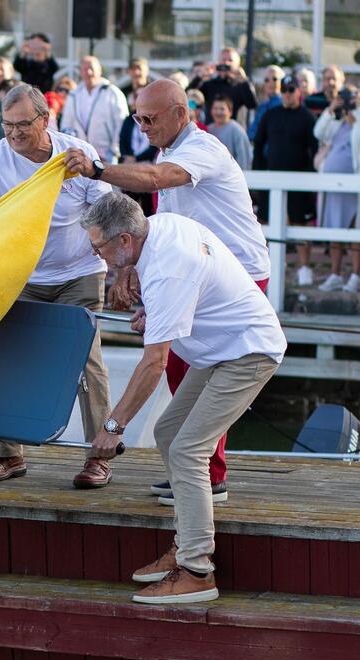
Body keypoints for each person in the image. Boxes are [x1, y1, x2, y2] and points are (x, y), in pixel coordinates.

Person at [62, 79, 268, 507]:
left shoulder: (201, 149)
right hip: (197, 268)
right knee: (181, 371)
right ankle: (198, 470)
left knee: (194, 367)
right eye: (137, 118)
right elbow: (149, 226)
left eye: (150, 118)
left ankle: (207, 474)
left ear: (181, 112)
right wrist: (131, 274)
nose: (142, 127)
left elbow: (156, 181)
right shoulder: (168, 149)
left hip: (236, 272)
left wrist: (98, 171)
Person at [79, 193, 284, 604]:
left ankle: (196, 570)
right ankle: (186, 540)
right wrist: (155, 312)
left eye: (97, 246)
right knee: (170, 431)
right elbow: (195, 290)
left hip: (248, 351)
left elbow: (154, 365)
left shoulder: (167, 270)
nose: (96, 255)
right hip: (220, 349)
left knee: (189, 449)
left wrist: (112, 427)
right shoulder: (160, 227)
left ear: (123, 241)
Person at [0, 83, 114, 490]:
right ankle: (8, 455)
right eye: (6, 125)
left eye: (22, 124)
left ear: (46, 119)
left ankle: (99, 456)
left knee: (85, 362)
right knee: (7, 358)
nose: (13, 134)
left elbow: (109, 210)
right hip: (20, 274)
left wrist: (122, 269)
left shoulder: (77, 154)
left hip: (79, 272)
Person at [253, 74, 319, 285]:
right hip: (271, 178)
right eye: (284, 90)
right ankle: (270, 265)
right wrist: (260, 174)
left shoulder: (307, 117)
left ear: (299, 92)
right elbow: (259, 145)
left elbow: (314, 149)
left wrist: (309, 176)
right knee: (266, 222)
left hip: (298, 180)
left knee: (300, 223)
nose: (287, 94)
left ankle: (304, 267)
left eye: (291, 90)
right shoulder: (270, 115)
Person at [314, 82, 360, 293]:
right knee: (335, 230)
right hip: (333, 185)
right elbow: (319, 132)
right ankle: (335, 274)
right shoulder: (334, 122)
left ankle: (356, 275)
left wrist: (358, 109)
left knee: (355, 230)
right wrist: (331, 109)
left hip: (355, 185)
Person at [59, 56, 128, 162]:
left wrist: (114, 151)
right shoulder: (74, 95)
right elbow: (67, 125)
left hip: (107, 156)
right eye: (85, 69)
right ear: (81, 72)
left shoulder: (113, 92)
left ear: (99, 70)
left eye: (92, 68)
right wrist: (70, 149)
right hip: (80, 156)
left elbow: (121, 124)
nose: (89, 72)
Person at [196, 55, 256, 120]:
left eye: (230, 60)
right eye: (223, 60)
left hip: (233, 128)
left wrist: (244, 79)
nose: (226, 63)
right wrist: (200, 76)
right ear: (218, 62)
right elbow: (191, 101)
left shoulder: (240, 85)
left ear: (237, 65)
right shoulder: (208, 84)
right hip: (210, 128)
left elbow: (252, 105)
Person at [204, 95, 251, 171]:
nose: (218, 112)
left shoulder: (237, 130)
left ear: (230, 112)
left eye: (222, 109)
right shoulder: (208, 129)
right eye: (215, 109)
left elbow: (244, 159)